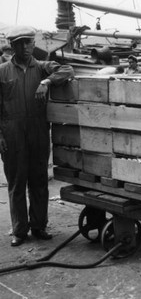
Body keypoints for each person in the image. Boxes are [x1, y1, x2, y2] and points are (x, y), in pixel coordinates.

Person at [0, 26, 74, 247]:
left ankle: (39, 226)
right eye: (20, 43)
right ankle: (19, 231)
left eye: (29, 42)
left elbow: (68, 70)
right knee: (16, 182)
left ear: (34, 44)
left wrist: (46, 82)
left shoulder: (43, 68)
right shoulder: (2, 71)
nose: (25, 47)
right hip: (11, 134)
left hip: (38, 132)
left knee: (39, 181)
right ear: (12, 46)